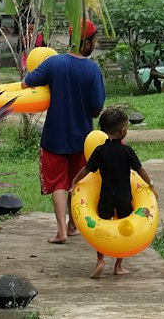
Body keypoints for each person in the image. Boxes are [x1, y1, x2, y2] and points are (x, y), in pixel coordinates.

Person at [23, 19, 105, 244]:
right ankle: (72, 226)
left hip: (54, 136)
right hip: (83, 138)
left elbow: (26, 83)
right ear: (85, 43)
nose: (95, 45)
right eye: (94, 41)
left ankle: (60, 230)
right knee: (77, 183)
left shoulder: (53, 64)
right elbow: (97, 108)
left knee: (58, 183)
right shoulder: (92, 69)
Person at [70, 106, 156, 279]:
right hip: (124, 197)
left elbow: (87, 170)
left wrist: (74, 182)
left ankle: (100, 261)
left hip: (106, 197)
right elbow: (141, 171)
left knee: (100, 228)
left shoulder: (99, 151)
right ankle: (118, 265)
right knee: (123, 227)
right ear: (122, 130)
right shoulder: (127, 151)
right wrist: (151, 185)